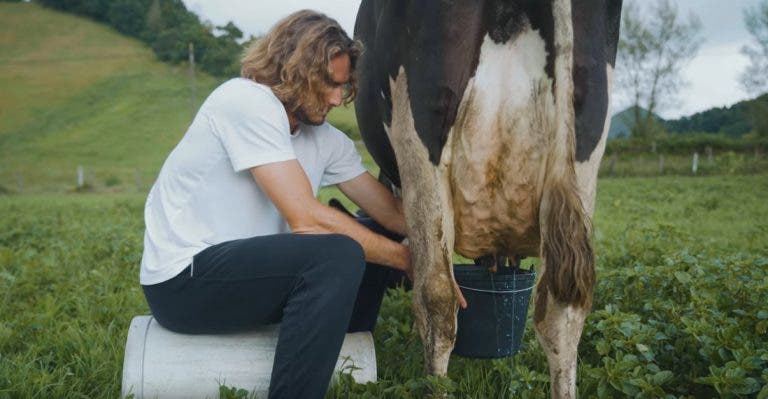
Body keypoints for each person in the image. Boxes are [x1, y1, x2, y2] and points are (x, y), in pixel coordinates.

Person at [139, 10, 412, 399]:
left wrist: (457, 236)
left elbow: (392, 214)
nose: (338, 99)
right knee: (335, 253)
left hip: (251, 281)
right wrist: (404, 260)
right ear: (295, 70)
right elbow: (305, 219)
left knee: (370, 231)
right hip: (184, 283)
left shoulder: (325, 138)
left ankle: (346, 344)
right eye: (330, 85)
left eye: (345, 86)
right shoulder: (244, 101)